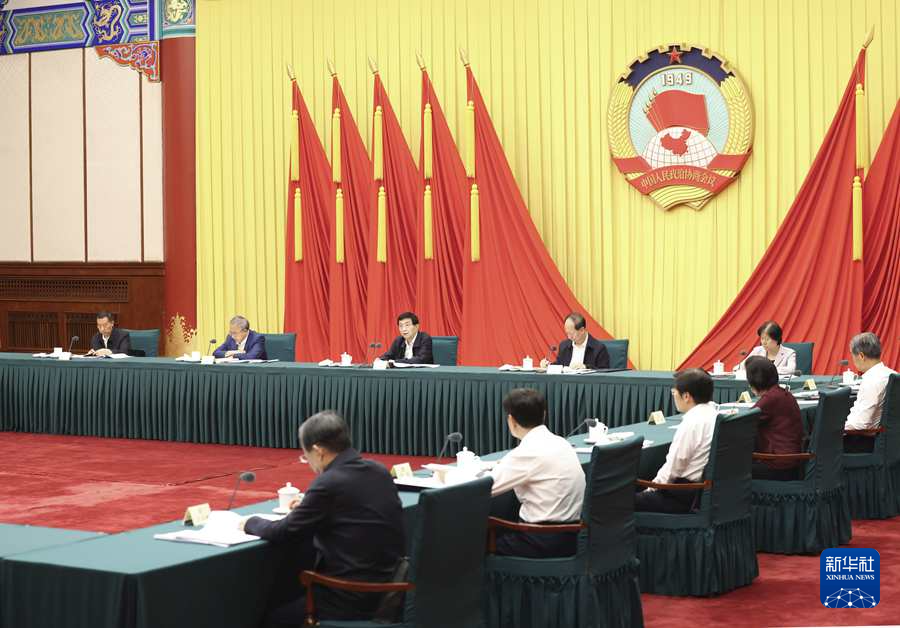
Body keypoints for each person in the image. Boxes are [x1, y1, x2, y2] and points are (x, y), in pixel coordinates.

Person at [241, 411, 405, 626]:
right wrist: (309, 504)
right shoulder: (379, 471)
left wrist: (249, 522)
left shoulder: (329, 483)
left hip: (350, 597)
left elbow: (283, 531)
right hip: (390, 588)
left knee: (272, 619)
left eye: (305, 456)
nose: (307, 461)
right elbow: (349, 505)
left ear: (318, 451)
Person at [488, 388, 585, 558]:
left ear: (511, 420)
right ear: (544, 415)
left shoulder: (526, 451)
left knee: (474, 542)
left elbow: (485, 488)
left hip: (541, 540)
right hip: (573, 536)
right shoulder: (561, 442)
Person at [635, 369, 718, 513]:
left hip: (683, 496)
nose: (673, 396)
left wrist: (650, 489)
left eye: (674, 392)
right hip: (706, 493)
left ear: (686, 396)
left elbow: (674, 467)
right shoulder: (715, 414)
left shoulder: (692, 422)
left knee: (620, 502)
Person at [745, 356, 805, 480]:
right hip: (792, 462)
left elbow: (744, 422)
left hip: (778, 465)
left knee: (728, 470)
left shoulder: (770, 399)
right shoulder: (783, 393)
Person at [844, 332, 897, 453]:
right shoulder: (893, 374)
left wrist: (834, 430)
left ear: (861, 356)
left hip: (865, 443)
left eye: (852, 355)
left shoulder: (871, 381)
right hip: (890, 444)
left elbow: (859, 425)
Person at [540, 312, 610, 370]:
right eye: (567, 333)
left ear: (582, 330)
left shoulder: (598, 348)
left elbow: (604, 371)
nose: (569, 337)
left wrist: (586, 367)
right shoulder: (564, 346)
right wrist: (548, 366)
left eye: (571, 334)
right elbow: (560, 365)